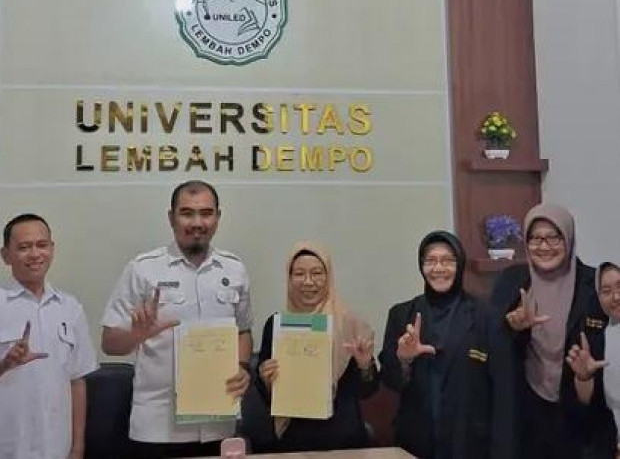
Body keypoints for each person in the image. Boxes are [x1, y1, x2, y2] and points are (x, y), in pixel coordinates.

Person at [101, 180, 252, 459]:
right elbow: (109, 343)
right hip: (157, 429)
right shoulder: (143, 269)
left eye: (206, 213)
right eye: (186, 213)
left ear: (218, 217)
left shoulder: (234, 269)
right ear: (171, 217)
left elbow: (243, 330)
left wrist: (243, 367)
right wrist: (137, 334)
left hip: (219, 424)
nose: (197, 223)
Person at [0, 214, 98, 459]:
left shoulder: (70, 308)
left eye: (42, 245)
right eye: (24, 247)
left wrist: (77, 448)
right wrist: (3, 364)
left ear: (52, 249)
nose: (35, 254)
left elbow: (77, 381)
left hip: (55, 448)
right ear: (5, 255)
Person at [379, 230, 510, 459]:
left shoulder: (486, 316)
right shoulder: (401, 315)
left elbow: (502, 389)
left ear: (460, 264)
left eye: (448, 260)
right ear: (421, 266)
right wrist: (404, 360)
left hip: (470, 442)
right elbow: (391, 381)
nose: (438, 268)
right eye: (430, 261)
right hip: (416, 443)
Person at [491, 203, 597, 459]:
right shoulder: (511, 280)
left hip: (582, 412)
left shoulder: (593, 284)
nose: (544, 246)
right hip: (526, 410)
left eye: (553, 237)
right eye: (535, 238)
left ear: (568, 239)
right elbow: (491, 342)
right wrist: (513, 328)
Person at [254, 241, 377, 453]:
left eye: (317, 273)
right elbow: (267, 397)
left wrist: (365, 366)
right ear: (289, 278)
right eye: (299, 274)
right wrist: (266, 379)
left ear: (329, 277)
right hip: (294, 441)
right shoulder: (276, 325)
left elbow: (368, 391)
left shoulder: (349, 323)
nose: (308, 282)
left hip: (346, 442)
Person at [566, 261, 620, 458]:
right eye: (606, 291)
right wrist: (584, 377)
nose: (616, 297)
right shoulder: (598, 343)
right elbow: (589, 409)